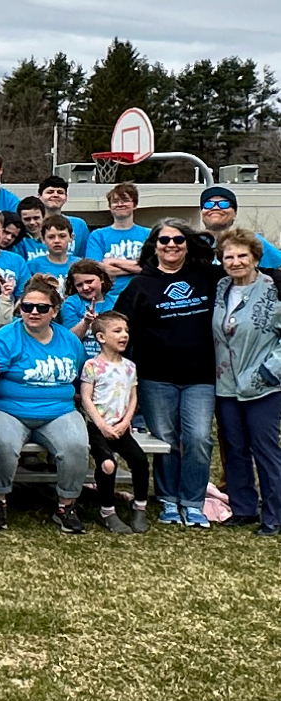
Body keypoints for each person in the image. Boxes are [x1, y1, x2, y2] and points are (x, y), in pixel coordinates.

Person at [119, 220, 219, 527]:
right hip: (156, 377)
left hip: (200, 376)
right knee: (166, 441)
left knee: (199, 439)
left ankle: (193, 500)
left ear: (187, 244)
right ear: (154, 245)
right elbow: (121, 327)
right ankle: (168, 501)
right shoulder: (141, 285)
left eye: (178, 239)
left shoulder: (208, 276)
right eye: (164, 240)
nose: (171, 244)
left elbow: (252, 274)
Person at [0, 277, 89, 535]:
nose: (33, 312)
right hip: (8, 408)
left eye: (42, 308)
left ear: (54, 311)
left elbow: (80, 377)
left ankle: (66, 506)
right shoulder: (5, 339)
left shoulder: (69, 341)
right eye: (27, 306)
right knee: (4, 444)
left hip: (58, 409)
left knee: (76, 445)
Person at [212, 229, 281, 535]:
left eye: (242, 256)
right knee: (234, 447)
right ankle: (242, 508)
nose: (236, 262)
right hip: (226, 383)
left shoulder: (274, 289)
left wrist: (269, 371)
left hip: (262, 385)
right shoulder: (221, 288)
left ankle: (274, 515)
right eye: (229, 256)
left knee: (265, 450)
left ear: (255, 258)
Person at [79, 312, 149, 535]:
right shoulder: (92, 365)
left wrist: (125, 422)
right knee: (108, 465)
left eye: (126, 331)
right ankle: (107, 510)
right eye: (117, 331)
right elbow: (86, 398)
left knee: (140, 461)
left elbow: (133, 397)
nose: (124, 335)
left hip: (120, 427)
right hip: (98, 427)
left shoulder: (129, 366)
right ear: (101, 337)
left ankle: (140, 506)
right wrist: (102, 426)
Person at [86, 183, 151, 303]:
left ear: (135, 204)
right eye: (115, 201)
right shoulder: (97, 235)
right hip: (109, 297)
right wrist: (137, 267)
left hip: (143, 295)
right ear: (110, 207)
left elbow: (153, 268)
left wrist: (113, 262)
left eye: (125, 200)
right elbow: (96, 271)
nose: (120, 204)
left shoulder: (149, 234)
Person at [198, 185, 281, 268]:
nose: (215, 208)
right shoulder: (190, 243)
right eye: (208, 204)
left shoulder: (253, 241)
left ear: (235, 213)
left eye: (224, 204)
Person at [37, 177, 91, 256]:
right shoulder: (32, 224)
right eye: (50, 192)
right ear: (39, 196)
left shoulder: (79, 225)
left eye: (60, 192)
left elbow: (84, 256)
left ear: (66, 197)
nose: (55, 195)